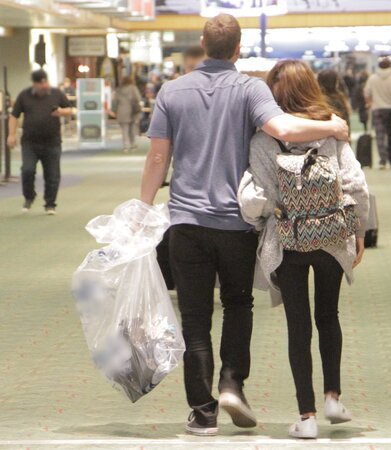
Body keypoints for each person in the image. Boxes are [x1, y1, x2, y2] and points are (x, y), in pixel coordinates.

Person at [138, 13, 349, 437]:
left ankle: (202, 411)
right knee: (237, 305)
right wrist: (334, 126)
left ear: (202, 43)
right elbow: (284, 127)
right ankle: (232, 383)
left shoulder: (172, 91)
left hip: (185, 222)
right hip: (235, 225)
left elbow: (158, 158)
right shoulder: (250, 88)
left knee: (195, 318)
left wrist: (142, 211)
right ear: (238, 49)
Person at [238, 59, 369, 439]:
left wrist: (263, 226)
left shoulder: (264, 138)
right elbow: (355, 184)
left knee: (299, 326)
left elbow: (258, 198)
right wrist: (358, 229)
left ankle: (306, 417)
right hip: (331, 238)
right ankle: (333, 397)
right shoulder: (332, 128)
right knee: (329, 316)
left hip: (287, 241)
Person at [8, 69, 73, 215]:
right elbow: (14, 116)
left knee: (52, 174)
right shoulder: (24, 96)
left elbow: (70, 109)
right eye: (41, 84)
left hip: (52, 141)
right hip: (30, 142)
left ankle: (50, 204)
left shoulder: (57, 93)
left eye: (46, 82)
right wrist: (11, 135)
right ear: (34, 84)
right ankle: (29, 197)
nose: (44, 86)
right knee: (27, 170)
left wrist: (61, 112)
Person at [364, 58, 391, 170]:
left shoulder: (372, 79)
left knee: (380, 136)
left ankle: (382, 161)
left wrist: (370, 103)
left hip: (377, 109)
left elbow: (366, 93)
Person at [112, 75, 143, 152]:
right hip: (132, 111)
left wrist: (114, 111)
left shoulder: (118, 90)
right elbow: (138, 98)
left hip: (121, 111)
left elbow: (114, 102)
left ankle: (126, 145)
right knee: (132, 129)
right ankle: (133, 145)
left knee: (124, 130)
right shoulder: (133, 88)